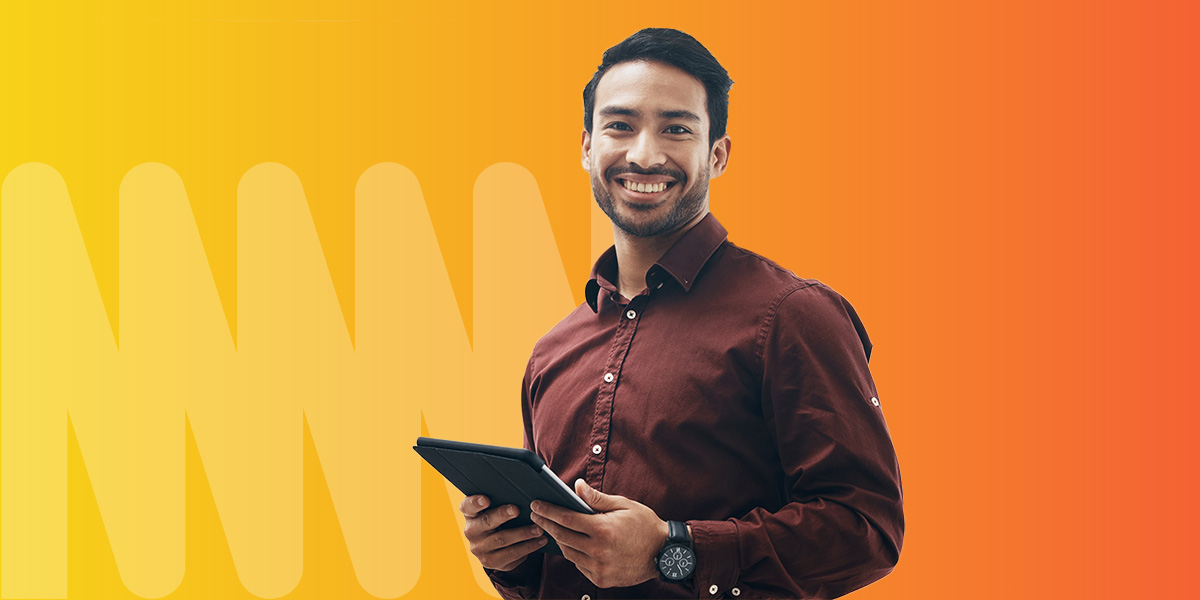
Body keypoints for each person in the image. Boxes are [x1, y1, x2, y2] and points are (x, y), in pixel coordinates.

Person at [458, 28, 903, 599]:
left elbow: (868, 531)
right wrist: (509, 556)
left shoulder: (793, 316)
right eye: (620, 125)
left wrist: (673, 549)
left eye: (676, 128)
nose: (645, 153)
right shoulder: (554, 349)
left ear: (716, 154)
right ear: (588, 148)